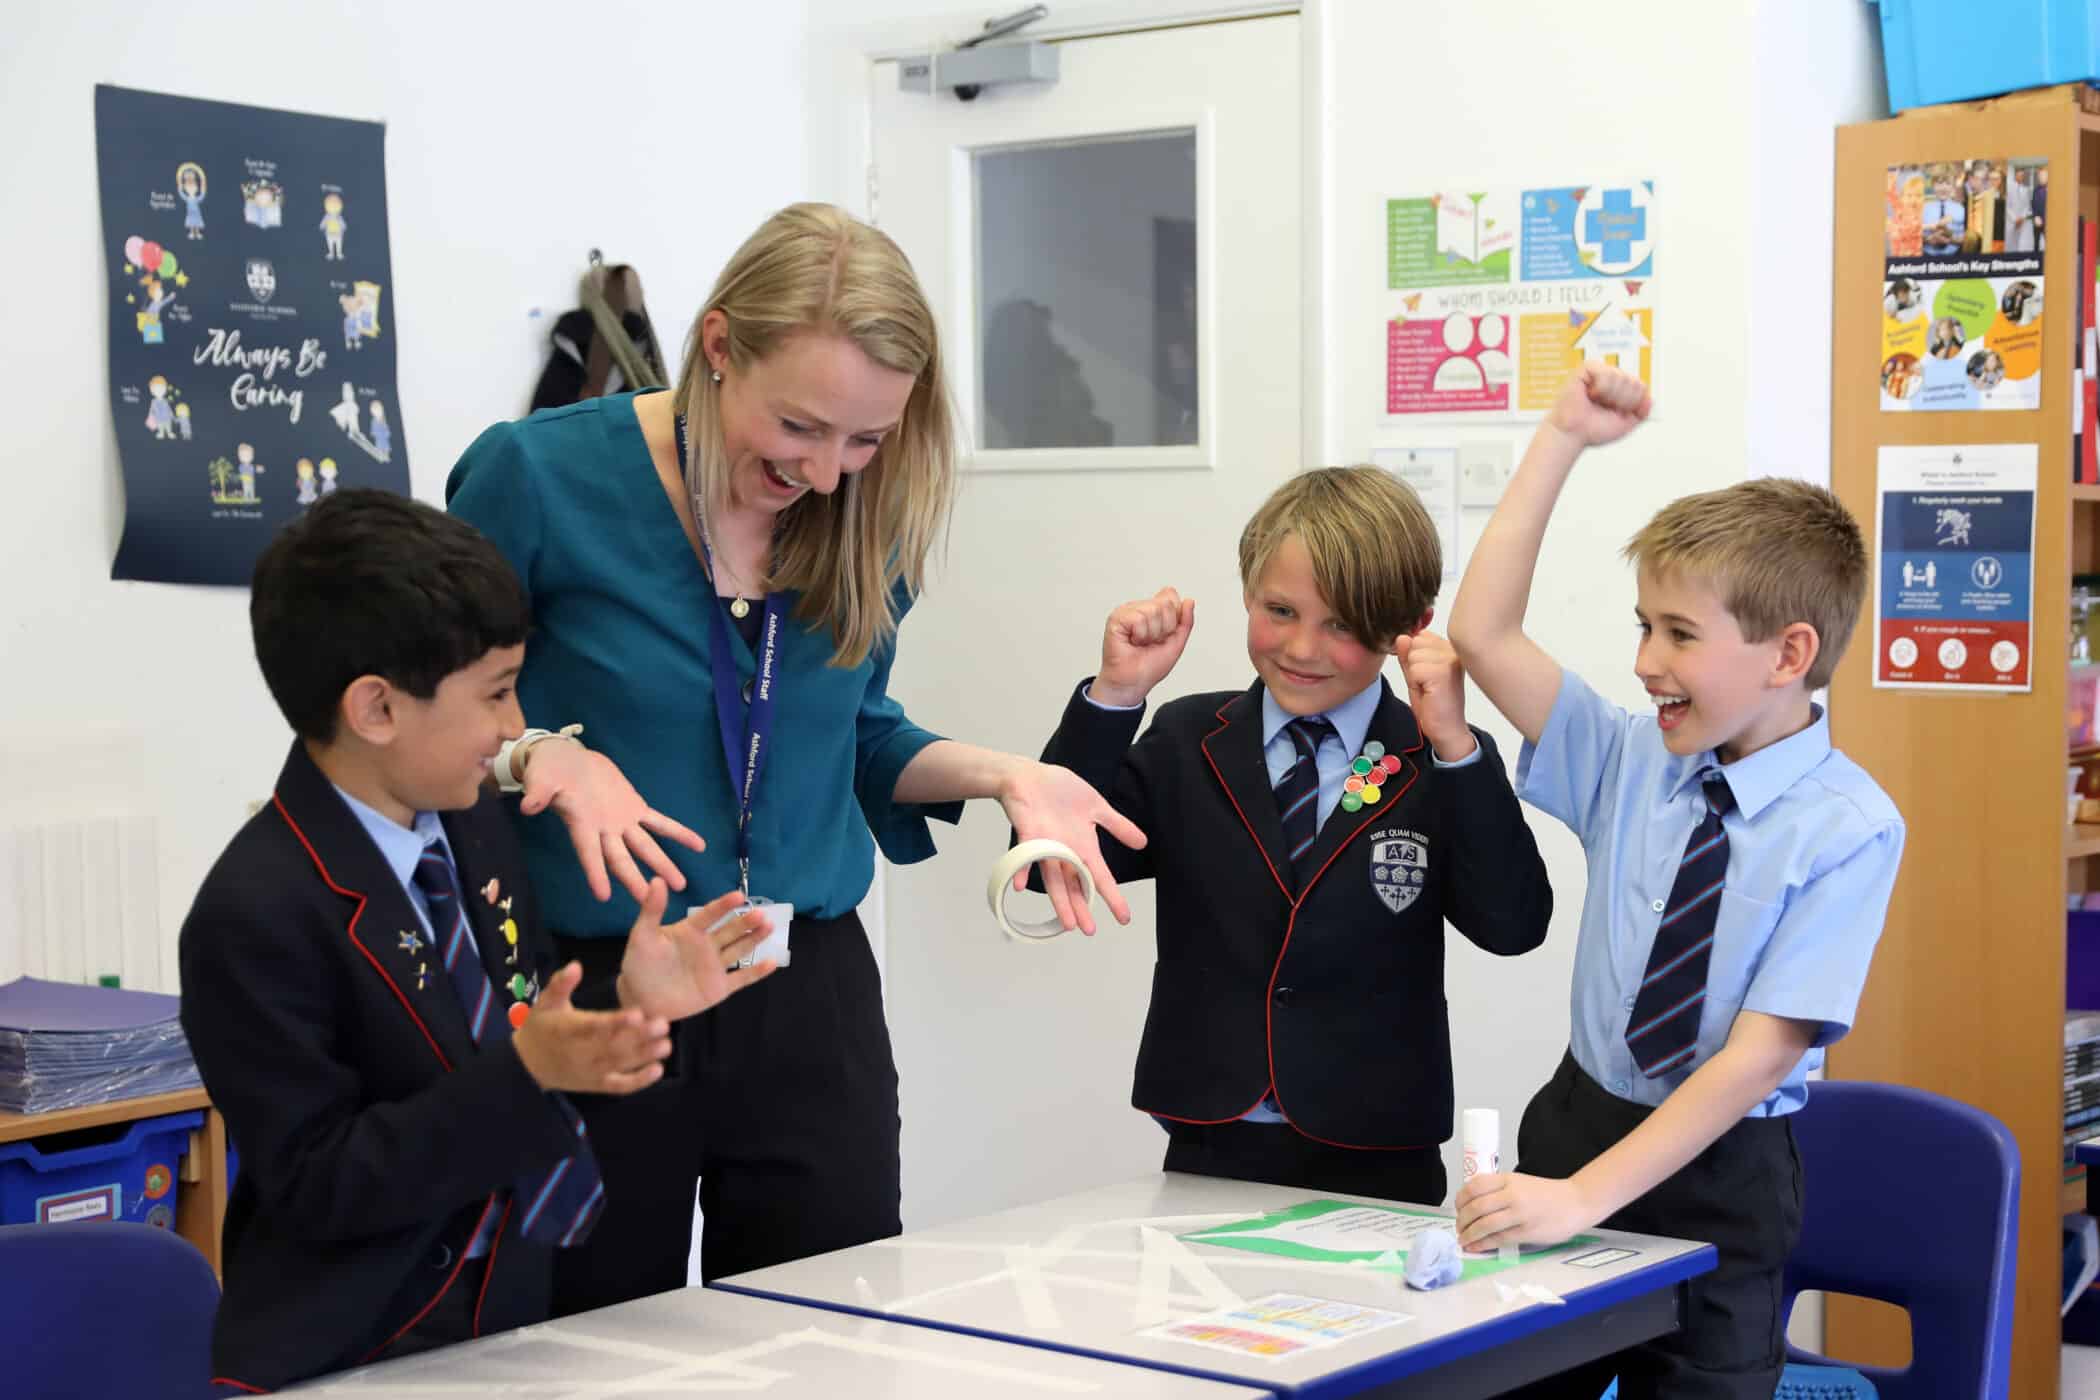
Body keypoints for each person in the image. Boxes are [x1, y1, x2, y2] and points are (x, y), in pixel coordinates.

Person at [445, 202, 1141, 1313]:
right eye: (802, 428)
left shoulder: (865, 513)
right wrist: (536, 752)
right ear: (720, 348)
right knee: (587, 1336)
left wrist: (1009, 773)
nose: (826, 473)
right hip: (604, 977)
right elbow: (420, 702)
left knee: (839, 1328)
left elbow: (851, 729)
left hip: (803, 985)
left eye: (865, 440)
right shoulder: (539, 480)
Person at [179, 490, 776, 1392]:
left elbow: (525, 1081)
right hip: (349, 1352)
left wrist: (625, 1021)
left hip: (505, 1330)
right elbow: (322, 1185)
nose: (513, 728)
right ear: (376, 708)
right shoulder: (255, 911)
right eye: (495, 694)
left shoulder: (475, 827)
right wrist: (532, 1068)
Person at [1446, 365, 1905, 1399]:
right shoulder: (1631, 759)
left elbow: (1753, 1060)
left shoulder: (1849, 828)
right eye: (1644, 623)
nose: (1646, 658)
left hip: (1722, 1169)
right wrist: (1561, 435)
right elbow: (1482, 634)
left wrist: (1581, 1199)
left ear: (1789, 652)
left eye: (1680, 633)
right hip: (1576, 1120)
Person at [1029, 466, 1552, 1204]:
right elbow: (1050, 865)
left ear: (1412, 625)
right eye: (1280, 610)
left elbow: (1513, 926)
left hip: (1380, 1141)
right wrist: (1117, 696)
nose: (1303, 648)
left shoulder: (1434, 756)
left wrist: (1457, 749)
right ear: (1247, 592)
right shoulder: (1186, 739)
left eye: (1340, 624)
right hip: (1211, 1127)